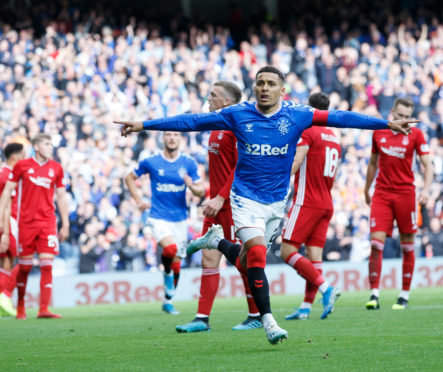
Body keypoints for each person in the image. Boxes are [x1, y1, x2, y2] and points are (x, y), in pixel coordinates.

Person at [114, 65, 416, 344]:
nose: (265, 88)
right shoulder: (237, 113)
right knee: (257, 254)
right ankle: (268, 322)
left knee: (246, 261)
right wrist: (143, 124)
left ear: (282, 90)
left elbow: (342, 117)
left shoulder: (297, 115)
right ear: (254, 88)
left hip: (275, 203)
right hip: (244, 199)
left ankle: (217, 242)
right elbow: (191, 121)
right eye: (260, 83)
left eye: (271, 83)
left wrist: (385, 123)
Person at [176, 81, 262, 333]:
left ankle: (256, 314)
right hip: (215, 204)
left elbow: (242, 168)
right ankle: (202, 318)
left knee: (242, 261)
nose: (208, 97)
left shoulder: (237, 128)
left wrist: (221, 197)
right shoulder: (216, 127)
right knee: (208, 258)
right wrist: (207, 191)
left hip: (233, 204)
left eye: (213, 95)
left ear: (227, 102)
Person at [364, 97, 433, 310]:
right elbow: (373, 162)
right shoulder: (379, 131)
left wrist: (426, 190)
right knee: (376, 243)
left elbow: (427, 164)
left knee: (407, 246)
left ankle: (404, 295)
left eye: (407, 117)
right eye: (400, 116)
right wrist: (367, 189)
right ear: (392, 112)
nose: (404, 120)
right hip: (382, 194)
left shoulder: (416, 134)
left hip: (406, 194)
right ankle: (374, 294)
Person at [124, 131, 204, 315]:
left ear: (180, 139)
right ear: (163, 138)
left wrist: (191, 186)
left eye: (175, 134)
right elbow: (129, 177)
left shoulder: (188, 163)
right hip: (158, 216)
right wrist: (138, 200)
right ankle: (167, 276)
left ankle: (168, 300)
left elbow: (201, 192)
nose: (172, 137)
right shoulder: (152, 162)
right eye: (168, 134)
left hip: (180, 219)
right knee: (170, 249)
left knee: (177, 261)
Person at [279, 92, 341, 320]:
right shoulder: (334, 137)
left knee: (287, 251)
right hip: (326, 202)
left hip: (307, 201)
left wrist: (279, 179)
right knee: (314, 257)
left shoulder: (308, 131)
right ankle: (306, 307)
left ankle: (326, 288)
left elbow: (297, 160)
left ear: (309, 109)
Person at [0, 134, 69, 319]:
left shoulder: (57, 168)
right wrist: (1, 217)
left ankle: (44, 309)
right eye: (47, 144)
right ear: (37, 146)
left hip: (47, 222)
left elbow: (61, 196)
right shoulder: (22, 166)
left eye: (51, 144)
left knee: (47, 265)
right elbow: (7, 191)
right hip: (26, 223)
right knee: (25, 267)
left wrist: (66, 223)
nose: (50, 147)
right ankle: (21, 306)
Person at [0, 143, 25, 317]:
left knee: (7, 262)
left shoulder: (4, 172)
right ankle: (5, 295)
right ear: (15, 157)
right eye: (23, 155)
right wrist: (6, 231)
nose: (25, 159)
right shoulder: (8, 175)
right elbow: (7, 203)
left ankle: (4, 299)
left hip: (10, 221)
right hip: (9, 222)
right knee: (25, 258)